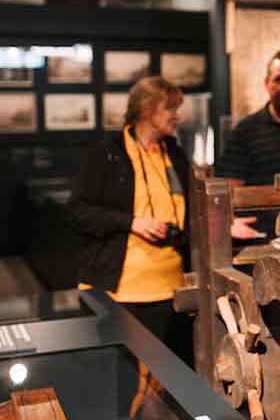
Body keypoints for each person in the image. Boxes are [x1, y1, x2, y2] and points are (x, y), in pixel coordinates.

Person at [69, 76, 190, 345]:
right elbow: (78, 212)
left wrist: (224, 227)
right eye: (169, 108)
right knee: (120, 380)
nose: (176, 116)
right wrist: (131, 222)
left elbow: (189, 211)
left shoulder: (175, 154)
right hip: (118, 292)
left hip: (171, 289)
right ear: (146, 109)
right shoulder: (106, 153)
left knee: (164, 380)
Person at [216, 50, 280, 240]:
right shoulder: (246, 131)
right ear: (267, 83)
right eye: (279, 79)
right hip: (263, 237)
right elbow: (228, 189)